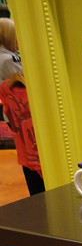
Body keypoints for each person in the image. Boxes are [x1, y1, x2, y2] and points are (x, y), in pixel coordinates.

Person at [0, 17, 44, 195]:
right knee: (34, 155)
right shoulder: (8, 59)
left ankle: (37, 192)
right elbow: (23, 84)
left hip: (14, 115)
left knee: (27, 154)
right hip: (24, 114)